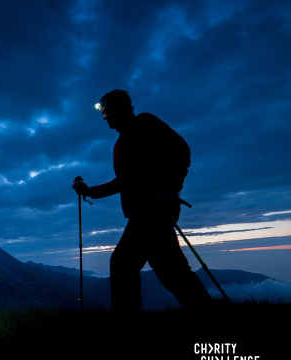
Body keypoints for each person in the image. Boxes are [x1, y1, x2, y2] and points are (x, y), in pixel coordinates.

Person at [72, 89, 212, 314]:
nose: (105, 117)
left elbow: (182, 149)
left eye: (108, 111)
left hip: (153, 210)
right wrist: (89, 191)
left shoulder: (145, 122)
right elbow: (122, 181)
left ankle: (128, 333)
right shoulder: (119, 143)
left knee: (122, 265)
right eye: (103, 113)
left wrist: (172, 188)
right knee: (173, 274)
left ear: (125, 107)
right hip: (142, 212)